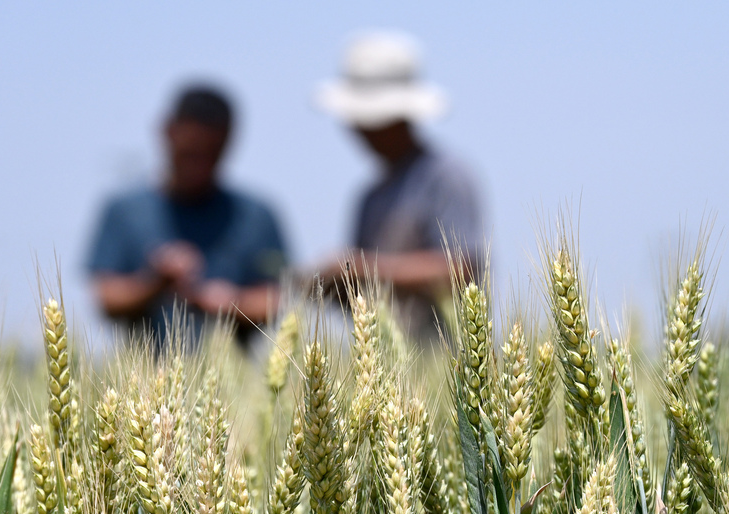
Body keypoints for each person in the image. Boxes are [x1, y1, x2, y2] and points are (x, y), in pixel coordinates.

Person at [86, 84, 288, 346]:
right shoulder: (123, 211)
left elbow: (280, 299)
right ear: (167, 132)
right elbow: (106, 297)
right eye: (191, 152)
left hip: (234, 381)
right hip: (145, 378)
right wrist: (154, 282)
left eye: (212, 154)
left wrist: (230, 303)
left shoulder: (257, 215)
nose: (201, 165)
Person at [315, 32, 485, 338]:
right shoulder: (369, 196)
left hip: (443, 363)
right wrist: (328, 286)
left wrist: (364, 268)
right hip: (383, 364)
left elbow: (462, 270)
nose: (356, 129)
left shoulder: (445, 177)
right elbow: (362, 299)